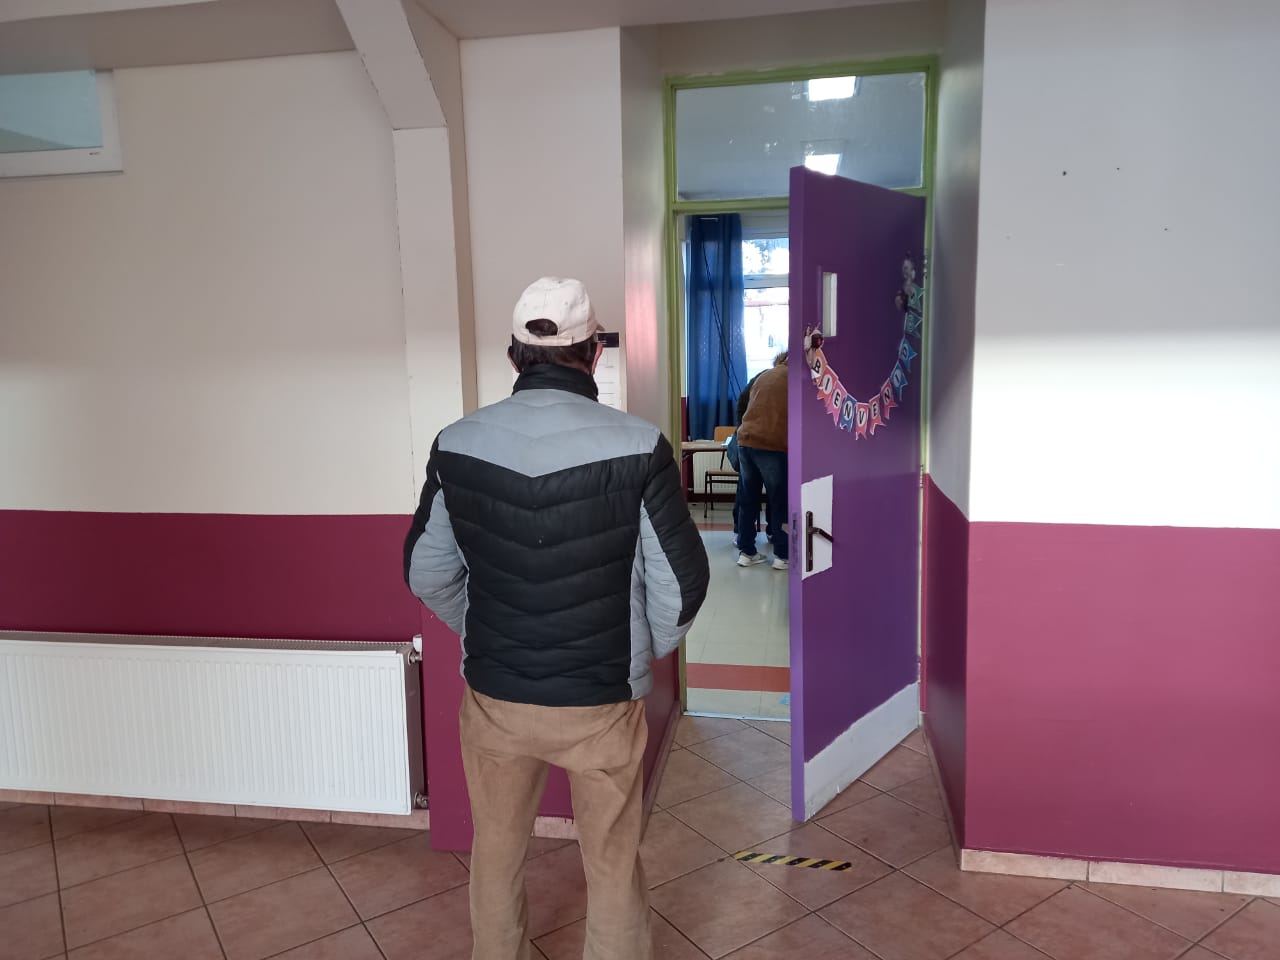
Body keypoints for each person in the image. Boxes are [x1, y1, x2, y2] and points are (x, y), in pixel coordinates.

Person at [403, 276, 710, 960]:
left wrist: (480, 629)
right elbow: (682, 584)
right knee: (613, 862)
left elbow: (426, 571)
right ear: (595, 352)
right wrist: (639, 651)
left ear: (513, 354)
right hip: (602, 699)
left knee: (495, 852)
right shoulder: (641, 445)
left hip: (497, 696)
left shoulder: (457, 443)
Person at [734, 351, 788, 570]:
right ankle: (782, 555)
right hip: (771, 444)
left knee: (748, 499)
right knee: (780, 500)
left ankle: (746, 552)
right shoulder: (795, 378)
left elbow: (744, 404)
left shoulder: (764, 375)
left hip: (745, 441)